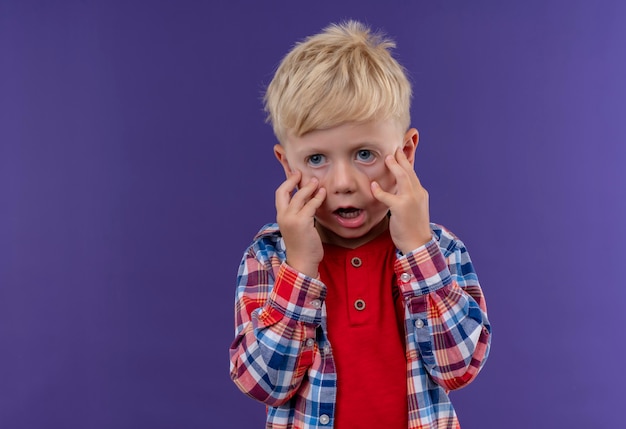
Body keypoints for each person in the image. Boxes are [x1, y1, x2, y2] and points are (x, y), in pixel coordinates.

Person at [229, 20, 491, 429]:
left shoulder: (440, 249)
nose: (343, 183)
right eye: (316, 159)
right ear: (286, 165)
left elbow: (458, 367)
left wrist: (419, 251)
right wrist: (299, 269)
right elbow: (263, 384)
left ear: (404, 153)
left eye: (365, 154)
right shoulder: (270, 257)